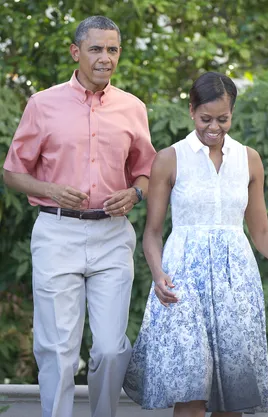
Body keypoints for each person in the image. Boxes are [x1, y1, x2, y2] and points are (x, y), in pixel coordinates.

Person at [123, 72, 268, 417]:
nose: (214, 127)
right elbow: (152, 232)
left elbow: (261, 233)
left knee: (230, 399)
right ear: (192, 110)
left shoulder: (248, 158)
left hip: (235, 284)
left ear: (232, 114)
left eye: (223, 119)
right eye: (205, 118)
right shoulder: (170, 158)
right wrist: (157, 273)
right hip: (184, 283)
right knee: (191, 393)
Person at [3, 15, 156, 417]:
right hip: (56, 234)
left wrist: (136, 193)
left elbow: (146, 170)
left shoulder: (132, 108)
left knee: (109, 346)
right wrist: (50, 189)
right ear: (76, 52)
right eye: (96, 49)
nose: (105, 58)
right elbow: (12, 173)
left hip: (111, 236)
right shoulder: (42, 104)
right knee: (57, 348)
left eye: (112, 49)